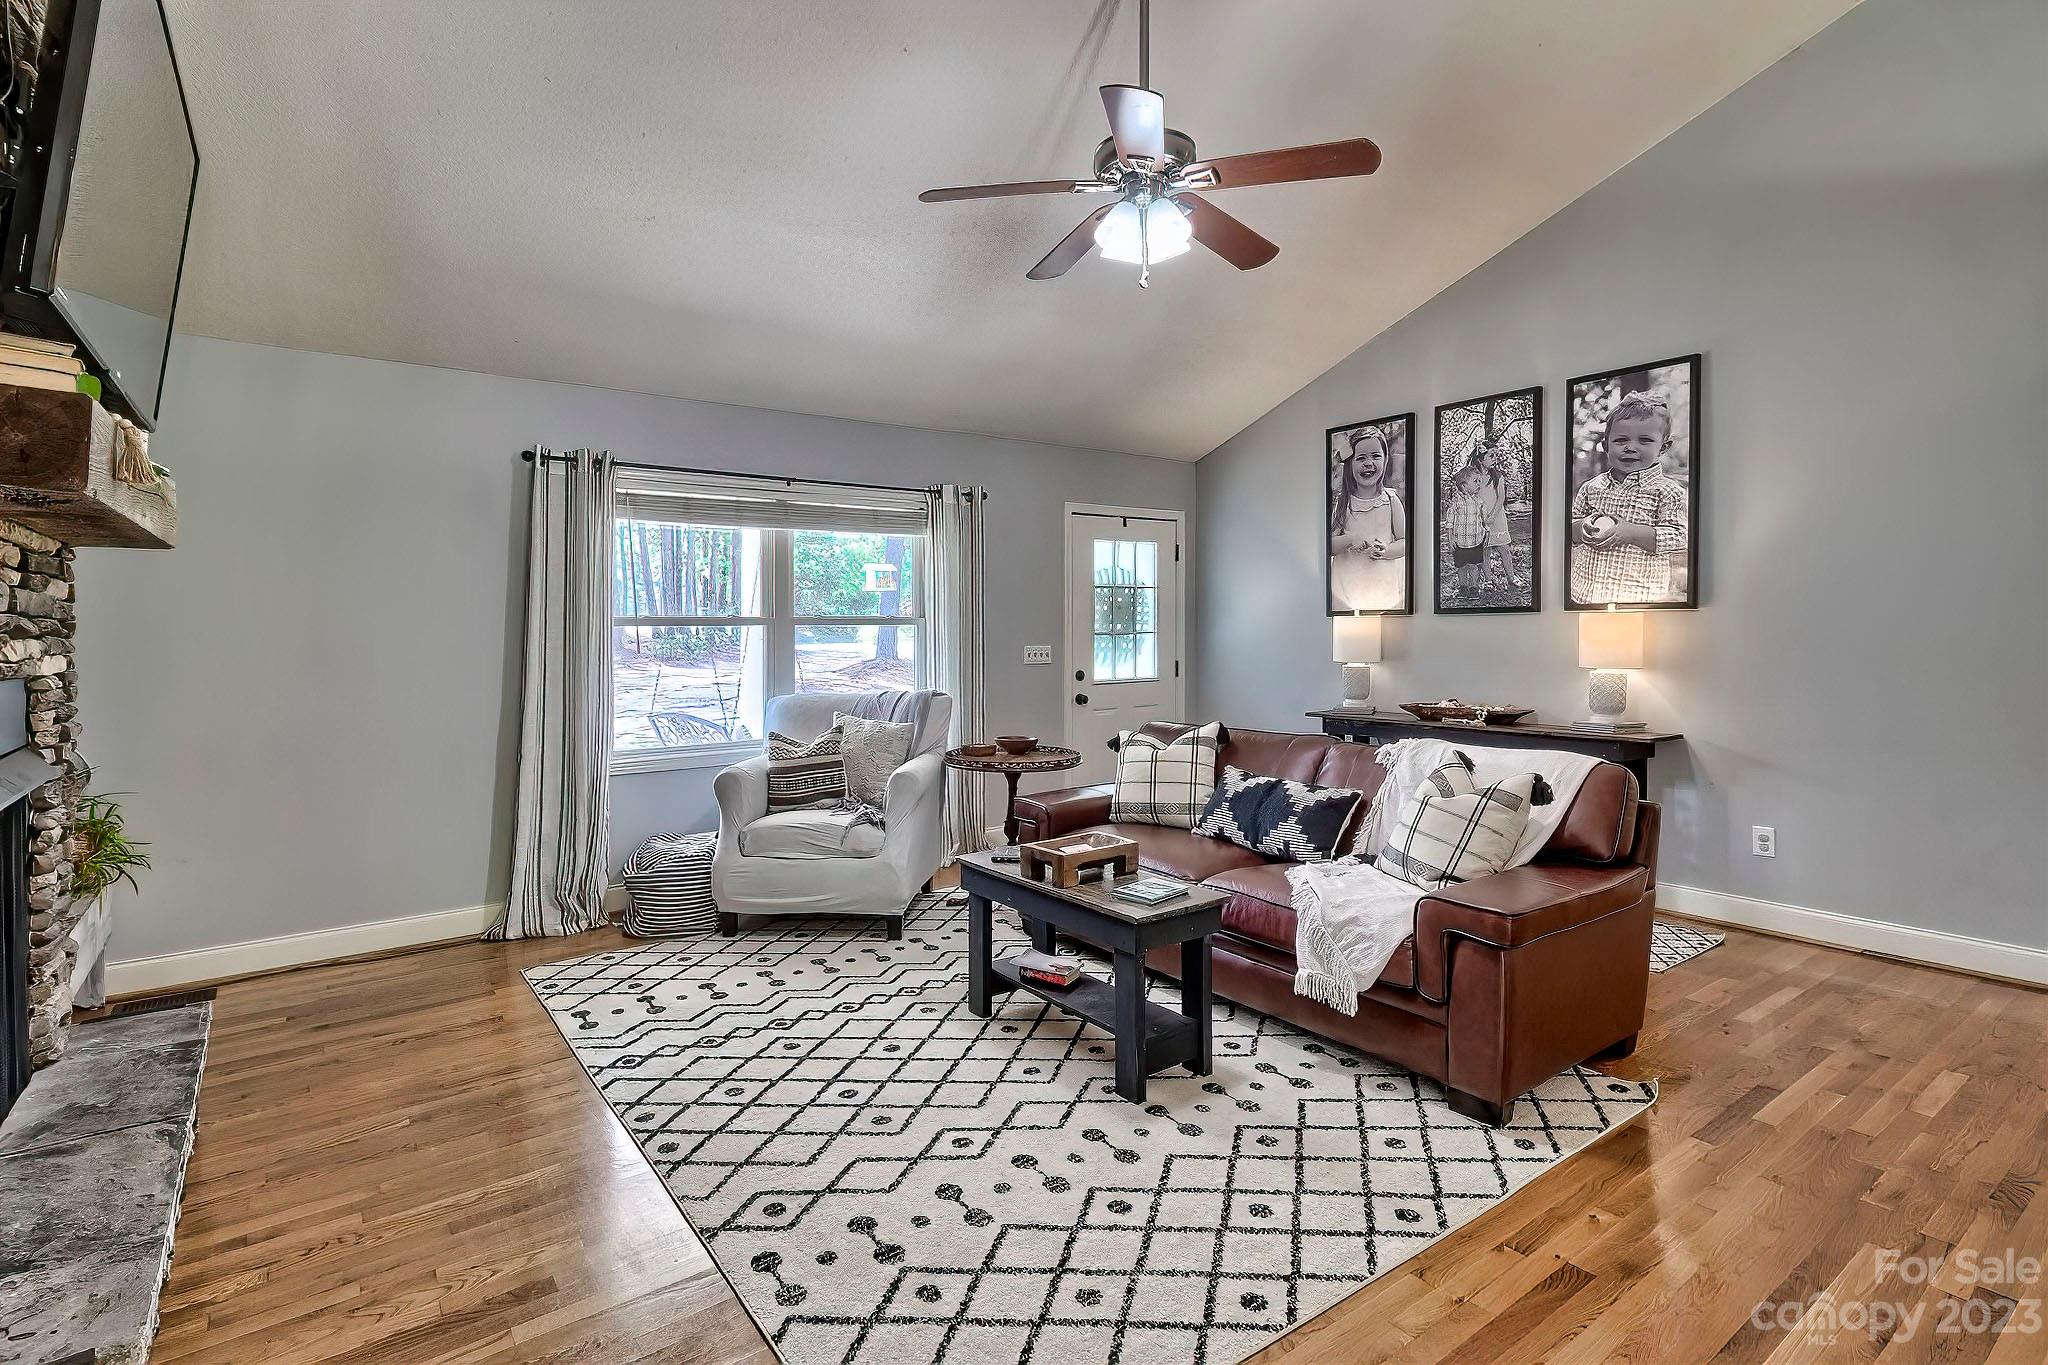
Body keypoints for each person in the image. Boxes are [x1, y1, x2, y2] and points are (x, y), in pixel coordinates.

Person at [1570, 390, 1688, 603]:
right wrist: (1580, 528)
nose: (1630, 448)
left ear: (1663, 447)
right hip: (1584, 595)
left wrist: (1632, 533)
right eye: (1621, 440)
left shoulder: (1669, 492)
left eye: (1645, 440)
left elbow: (1679, 538)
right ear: (1606, 445)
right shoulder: (1591, 488)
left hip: (1639, 600)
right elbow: (1568, 528)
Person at [1329, 425, 1407, 610]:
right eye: (1361, 458)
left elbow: (1405, 542)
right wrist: (1350, 539)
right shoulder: (1343, 503)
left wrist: (1386, 551)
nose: (1368, 463)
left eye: (1375, 456)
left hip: (1382, 588)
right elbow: (1329, 546)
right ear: (1350, 464)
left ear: (1385, 459)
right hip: (1346, 590)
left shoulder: (1390, 500)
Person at [1471, 439, 1524, 592]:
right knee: (1484, 550)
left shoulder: (1497, 476)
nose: (1495, 459)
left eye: (1496, 456)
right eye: (1491, 456)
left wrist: (1493, 516)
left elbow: (1501, 498)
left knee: (1504, 548)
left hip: (1497, 517)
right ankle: (1488, 579)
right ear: (1480, 459)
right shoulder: (1474, 477)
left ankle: (1511, 577)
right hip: (1480, 518)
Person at [1445, 464, 1489, 598]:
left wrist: (1486, 533)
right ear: (1464, 486)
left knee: (1474, 566)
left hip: (1476, 540)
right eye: (1475, 481)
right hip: (1460, 542)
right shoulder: (1456, 503)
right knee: (1461, 566)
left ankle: (1474, 587)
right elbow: (1449, 522)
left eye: (1479, 481)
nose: (1478, 484)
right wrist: (1450, 538)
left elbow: (1482, 520)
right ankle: (1463, 587)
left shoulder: (1479, 501)